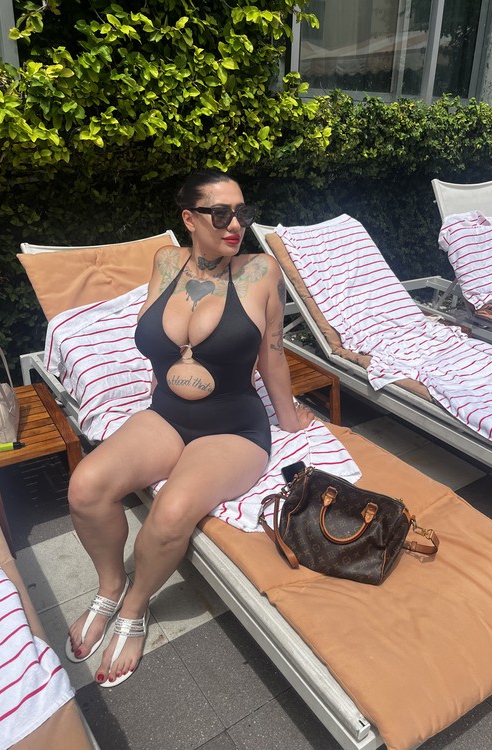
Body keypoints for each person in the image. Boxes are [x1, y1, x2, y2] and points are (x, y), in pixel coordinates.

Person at [65, 170, 314, 687]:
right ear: (189, 218)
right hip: (166, 416)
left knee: (171, 512)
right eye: (221, 214)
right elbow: (158, 342)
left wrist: (290, 418)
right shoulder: (165, 262)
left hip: (233, 428)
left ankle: (135, 605)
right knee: (85, 487)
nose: (235, 225)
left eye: (242, 213)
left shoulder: (259, 271)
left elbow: (272, 353)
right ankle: (110, 586)